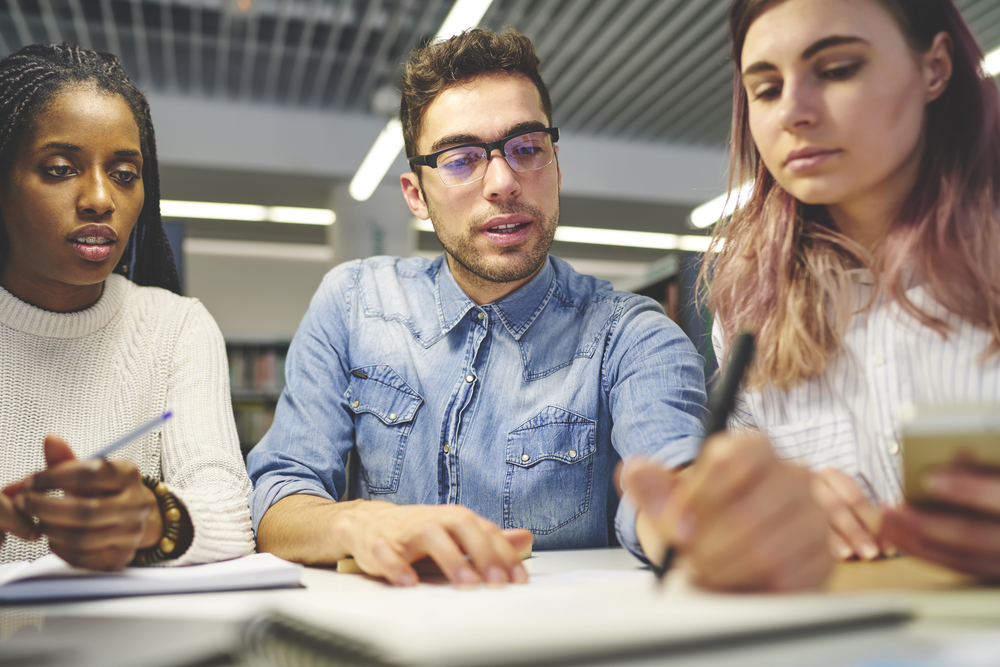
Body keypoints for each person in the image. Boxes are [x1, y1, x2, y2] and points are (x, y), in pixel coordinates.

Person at [248, 28, 832, 591]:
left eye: (526, 148)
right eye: (460, 159)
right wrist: (357, 522)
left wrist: (695, 521)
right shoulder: (353, 304)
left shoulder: (632, 336)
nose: (503, 181)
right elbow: (280, 495)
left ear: (555, 165)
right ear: (416, 196)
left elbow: (670, 484)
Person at [694, 0, 1000, 577]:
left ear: (934, 68)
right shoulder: (750, 303)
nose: (793, 113)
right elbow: (732, 497)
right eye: (765, 89)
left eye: (836, 71)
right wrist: (763, 512)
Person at [0, 43, 255, 569]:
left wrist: (154, 518)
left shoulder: (175, 327)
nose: (100, 199)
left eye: (123, 173)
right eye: (59, 168)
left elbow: (230, 512)